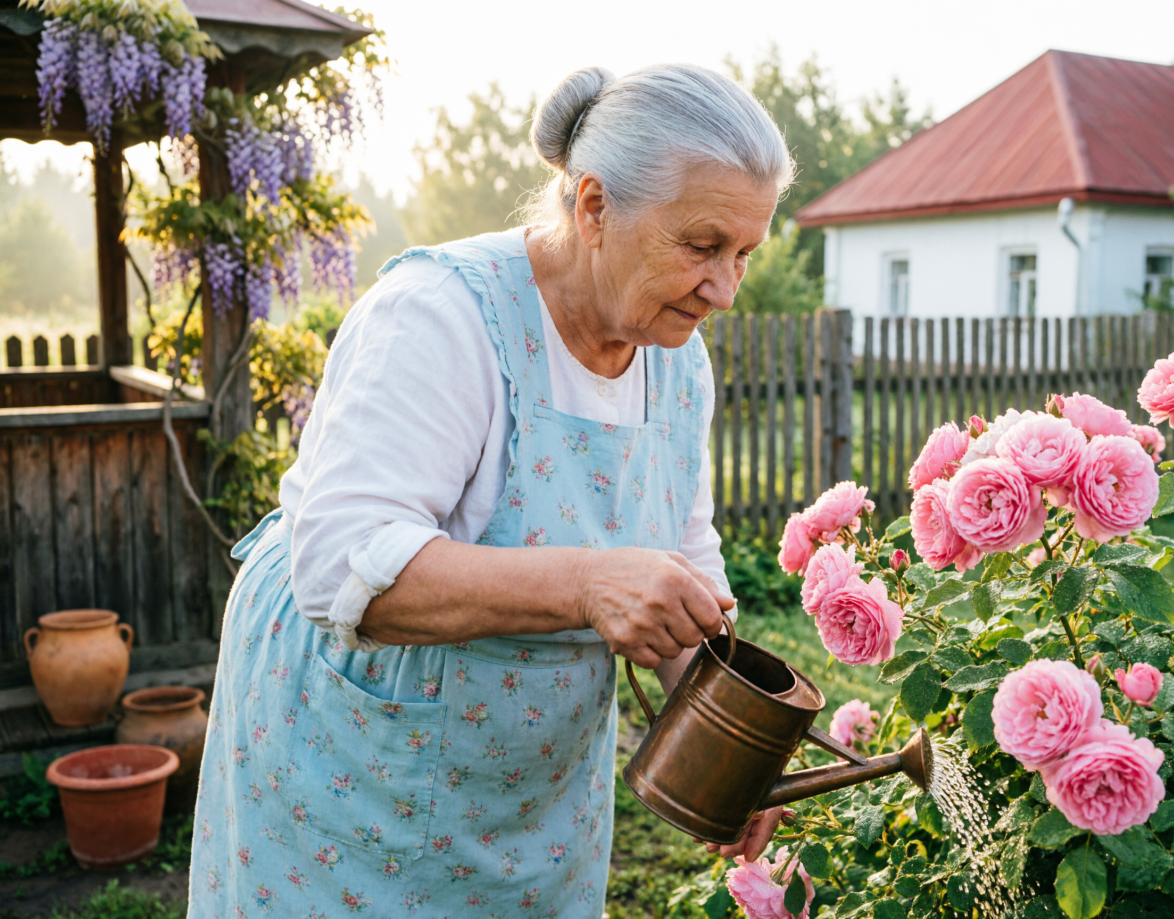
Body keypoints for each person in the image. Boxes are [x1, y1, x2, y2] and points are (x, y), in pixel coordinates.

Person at [188, 62, 794, 918]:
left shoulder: (677, 358)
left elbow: (682, 572)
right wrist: (589, 582)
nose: (726, 289)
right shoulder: (439, 316)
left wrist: (729, 747)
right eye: (701, 246)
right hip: (357, 755)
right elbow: (340, 569)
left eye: (744, 253)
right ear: (593, 207)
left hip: (528, 784)